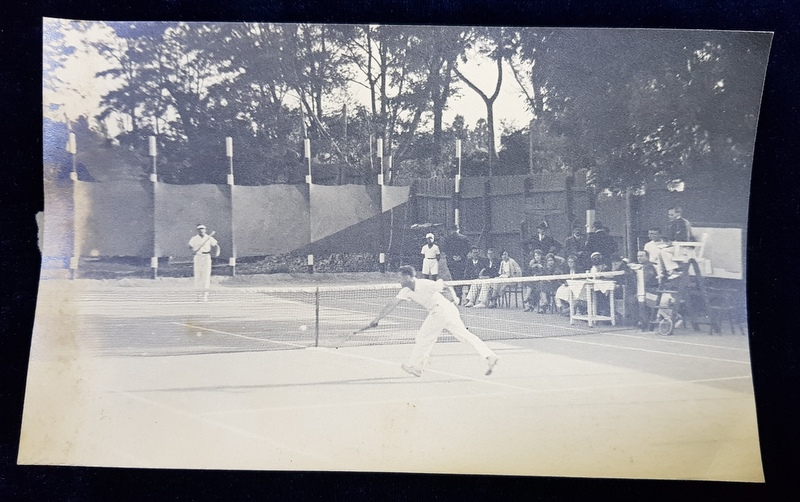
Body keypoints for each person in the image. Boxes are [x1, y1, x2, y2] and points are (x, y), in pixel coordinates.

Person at [366, 265, 499, 377]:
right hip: (445, 311)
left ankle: (415, 366)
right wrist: (377, 319)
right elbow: (391, 304)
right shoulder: (406, 290)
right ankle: (489, 356)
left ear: (407, 277)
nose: (398, 280)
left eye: (400, 277)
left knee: (423, 337)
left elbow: (446, 286)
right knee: (463, 335)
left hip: (442, 310)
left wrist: (455, 298)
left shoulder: (424, 283)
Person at [188, 224, 220, 302]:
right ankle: (198, 296)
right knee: (198, 276)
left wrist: (217, 252)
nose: (201, 230)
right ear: (197, 230)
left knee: (206, 276)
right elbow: (190, 246)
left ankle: (205, 296)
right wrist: (193, 249)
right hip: (198, 257)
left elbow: (216, 245)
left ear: (205, 230)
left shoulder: (209, 238)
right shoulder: (194, 238)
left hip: (206, 257)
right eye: (199, 229)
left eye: (202, 229)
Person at [441, 229, 471, 300]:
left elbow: (445, 250)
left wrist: (456, 257)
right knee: (458, 278)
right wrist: (458, 256)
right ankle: (458, 295)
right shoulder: (463, 238)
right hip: (456, 261)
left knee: (456, 278)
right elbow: (446, 250)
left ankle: (458, 295)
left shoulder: (448, 238)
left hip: (456, 261)